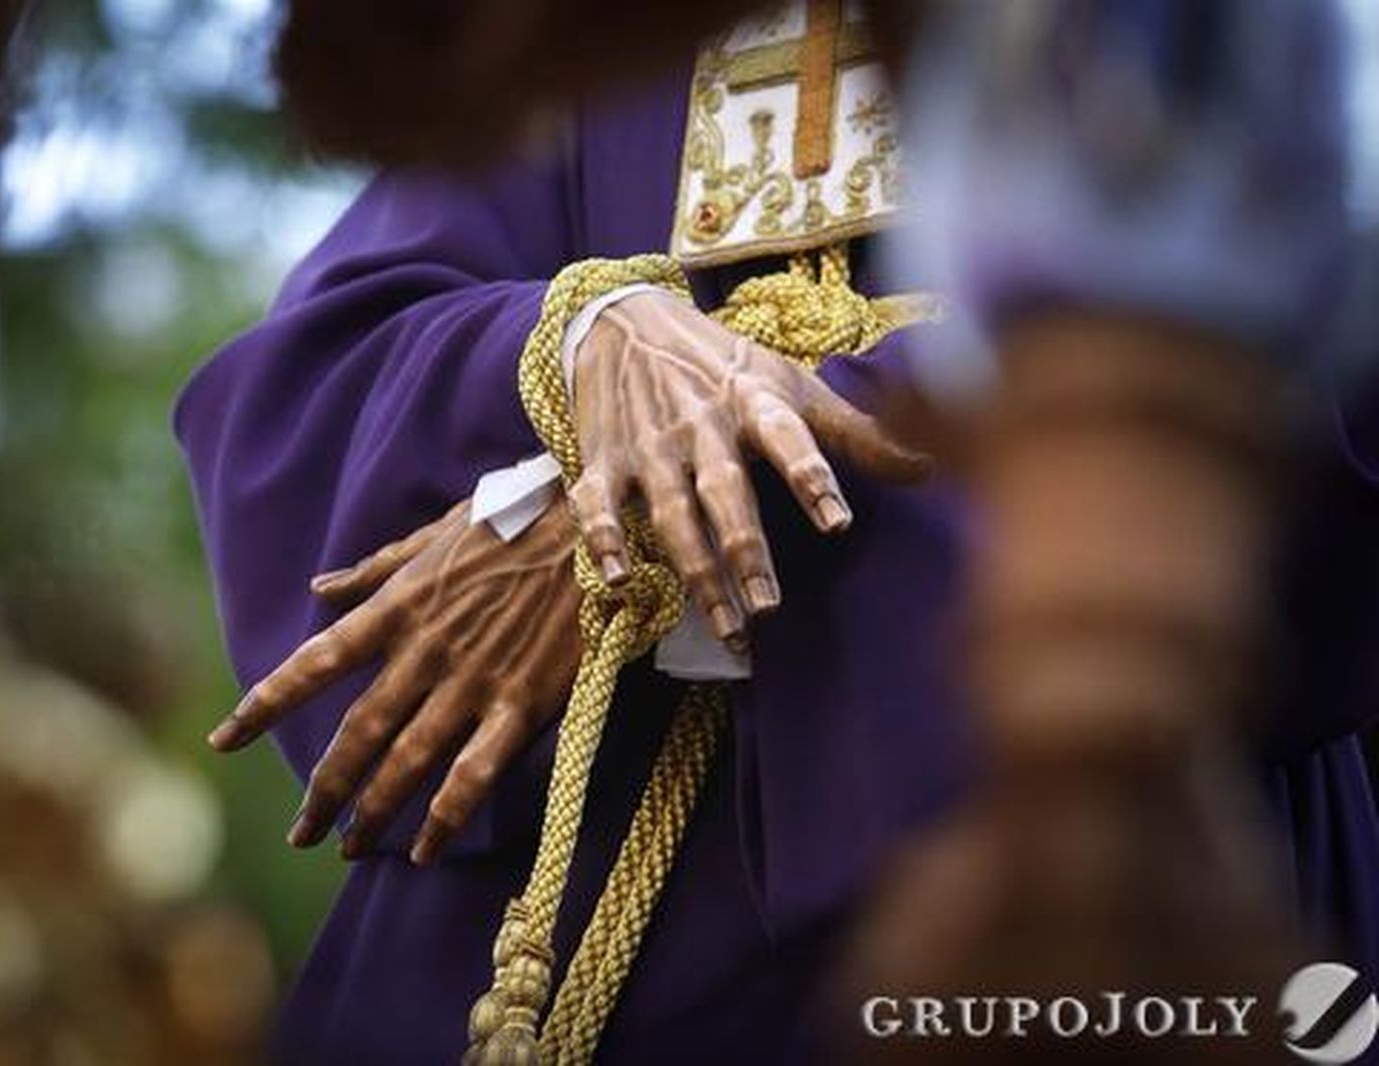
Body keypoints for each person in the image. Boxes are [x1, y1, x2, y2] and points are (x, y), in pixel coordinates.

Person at [176, 1, 1379, 1060]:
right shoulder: (593, 32)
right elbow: (314, 372)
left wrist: (622, 524)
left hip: (1046, 879)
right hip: (532, 927)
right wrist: (590, 336)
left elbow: (1255, 372)